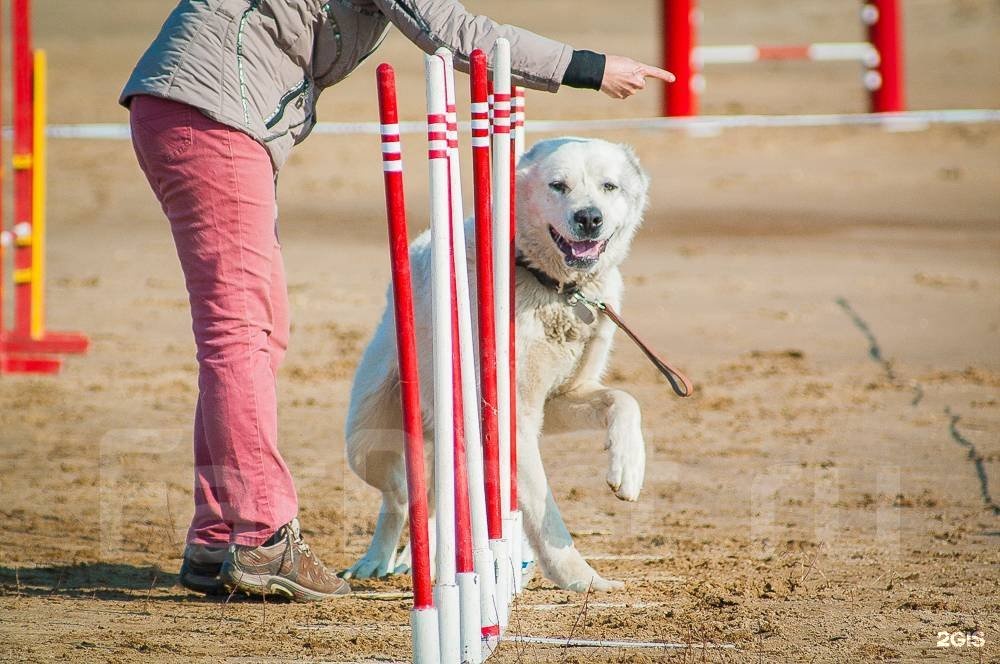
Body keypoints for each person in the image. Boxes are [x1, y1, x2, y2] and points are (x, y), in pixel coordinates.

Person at [121, 0, 674, 603]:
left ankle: (219, 531)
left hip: (198, 107)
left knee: (250, 332)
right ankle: (259, 535)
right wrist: (588, 67)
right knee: (242, 334)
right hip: (211, 114)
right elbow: (462, 37)